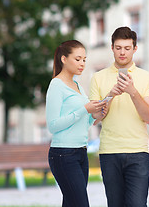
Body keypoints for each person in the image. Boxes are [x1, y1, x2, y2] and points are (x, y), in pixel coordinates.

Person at [89, 26, 149, 207]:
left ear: (135, 48)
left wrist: (132, 92)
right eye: (118, 48)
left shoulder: (147, 77)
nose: (122, 52)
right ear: (112, 48)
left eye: (127, 48)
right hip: (109, 152)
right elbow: (95, 117)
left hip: (138, 151)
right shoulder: (98, 77)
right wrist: (111, 95)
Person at [46, 40, 107, 207]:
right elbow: (52, 125)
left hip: (81, 152)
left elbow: (85, 121)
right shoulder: (56, 85)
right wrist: (84, 109)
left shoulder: (78, 85)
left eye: (84, 60)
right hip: (63, 154)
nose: (82, 64)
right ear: (64, 59)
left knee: (72, 203)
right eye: (78, 59)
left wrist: (98, 115)